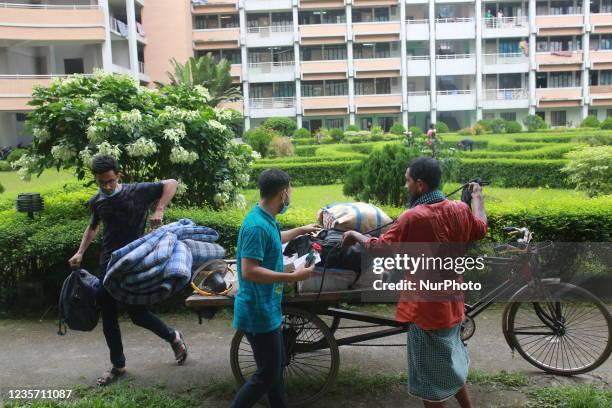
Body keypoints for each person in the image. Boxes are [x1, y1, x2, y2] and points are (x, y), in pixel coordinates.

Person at [341, 157, 487, 408]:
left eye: (408, 181)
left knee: (428, 382)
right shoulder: (460, 209)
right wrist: (477, 198)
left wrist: (355, 235)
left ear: (420, 184)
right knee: (450, 361)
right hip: (453, 303)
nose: (406, 186)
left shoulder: (414, 217)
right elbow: (481, 227)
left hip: (426, 311)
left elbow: (381, 250)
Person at [68, 155, 186, 386]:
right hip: (108, 264)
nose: (107, 186)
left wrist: (159, 208)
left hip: (133, 262)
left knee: (138, 315)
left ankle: (174, 337)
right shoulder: (98, 201)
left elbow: (171, 183)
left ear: (118, 175)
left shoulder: (137, 191)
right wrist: (80, 252)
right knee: (108, 315)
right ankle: (118, 365)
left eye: (111, 181)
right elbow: (92, 228)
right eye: (102, 182)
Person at [230, 168, 321, 408]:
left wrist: (301, 230)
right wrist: (292, 276)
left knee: (275, 369)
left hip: (267, 307)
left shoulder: (264, 218)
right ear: (282, 194)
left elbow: (275, 237)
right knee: (267, 374)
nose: (289, 196)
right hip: (258, 311)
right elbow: (249, 271)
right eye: (289, 191)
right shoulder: (256, 226)